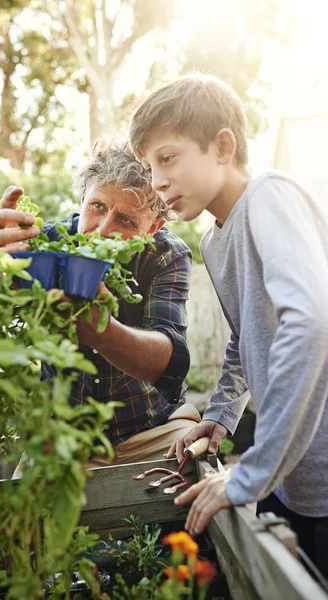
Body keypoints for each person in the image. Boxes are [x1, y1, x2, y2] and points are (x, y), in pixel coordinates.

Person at [129, 72, 328, 576]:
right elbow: (244, 336)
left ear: (222, 146)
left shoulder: (270, 195)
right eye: (148, 168)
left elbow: (309, 323)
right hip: (288, 482)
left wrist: (249, 474)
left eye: (167, 158)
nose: (156, 182)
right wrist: (221, 415)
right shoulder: (214, 242)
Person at [0, 138, 200, 468]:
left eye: (126, 220)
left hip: (153, 431)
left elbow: (170, 361)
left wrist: (101, 330)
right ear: (83, 196)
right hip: (63, 438)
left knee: (198, 475)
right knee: (26, 511)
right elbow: (1, 303)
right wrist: (1, 267)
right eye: (97, 207)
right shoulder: (47, 243)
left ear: (152, 227)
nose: (102, 230)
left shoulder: (167, 255)